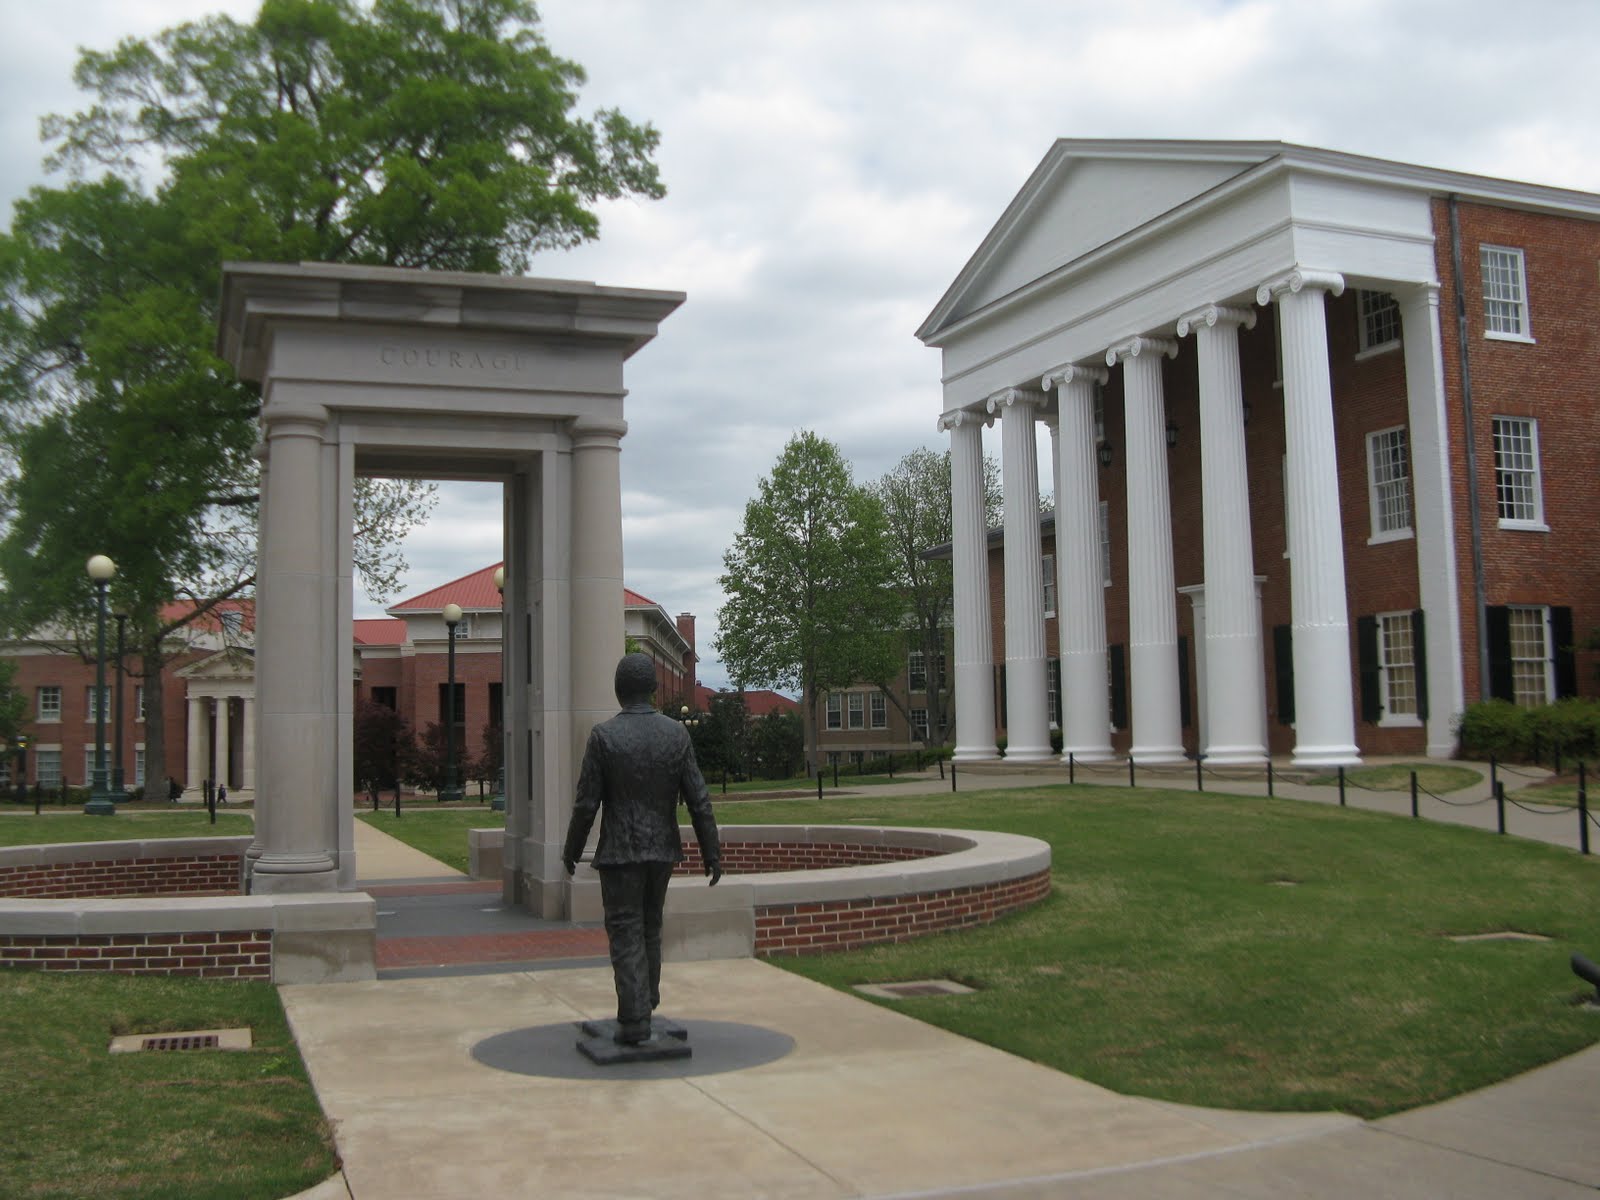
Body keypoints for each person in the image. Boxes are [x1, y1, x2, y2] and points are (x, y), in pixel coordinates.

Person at [562, 653, 721, 1045]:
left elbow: (586, 804)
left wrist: (572, 849)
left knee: (625, 928)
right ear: (652, 690)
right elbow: (699, 799)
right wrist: (711, 851)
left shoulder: (604, 737)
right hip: (661, 849)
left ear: (619, 691)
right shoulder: (676, 734)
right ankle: (645, 1001)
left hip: (621, 851)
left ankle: (635, 1017)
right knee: (650, 925)